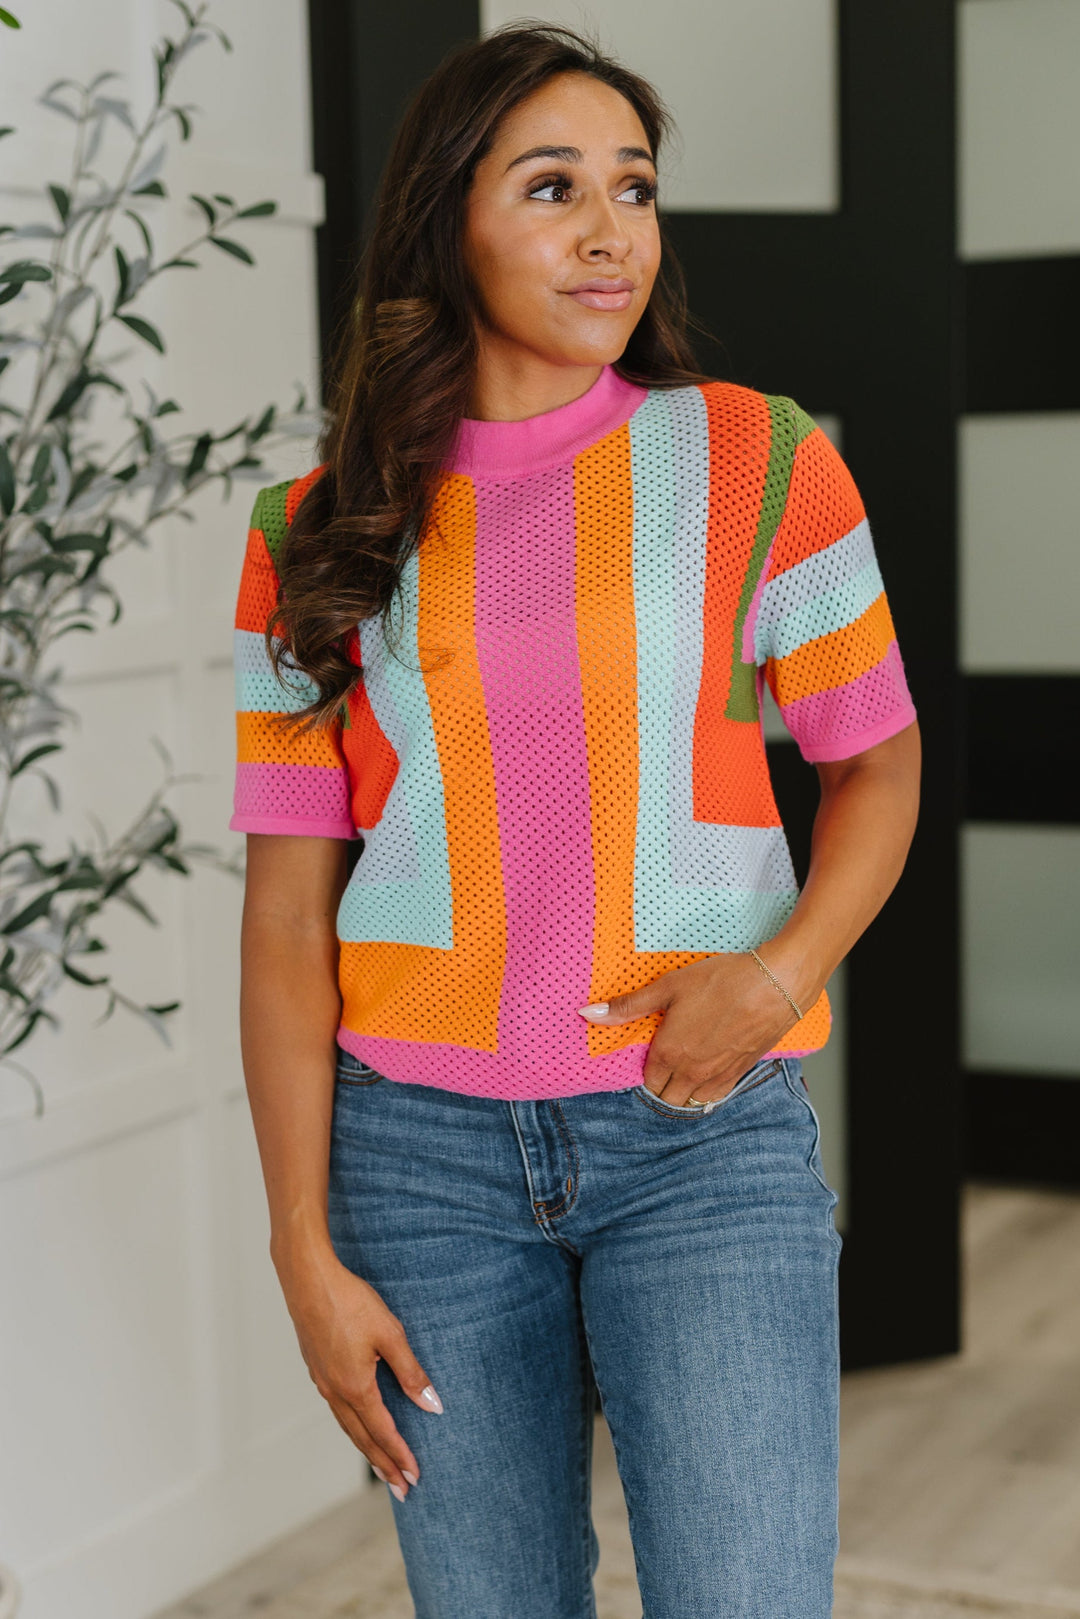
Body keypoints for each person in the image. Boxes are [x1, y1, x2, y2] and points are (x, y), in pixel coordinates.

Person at [231, 21, 920, 1619]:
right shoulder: (316, 527)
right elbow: (284, 911)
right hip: (416, 1165)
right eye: (555, 188)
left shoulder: (759, 459)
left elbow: (878, 767)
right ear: (446, 221)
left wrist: (778, 976)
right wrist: (300, 1248)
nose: (612, 231)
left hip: (702, 1136)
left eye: (636, 186)